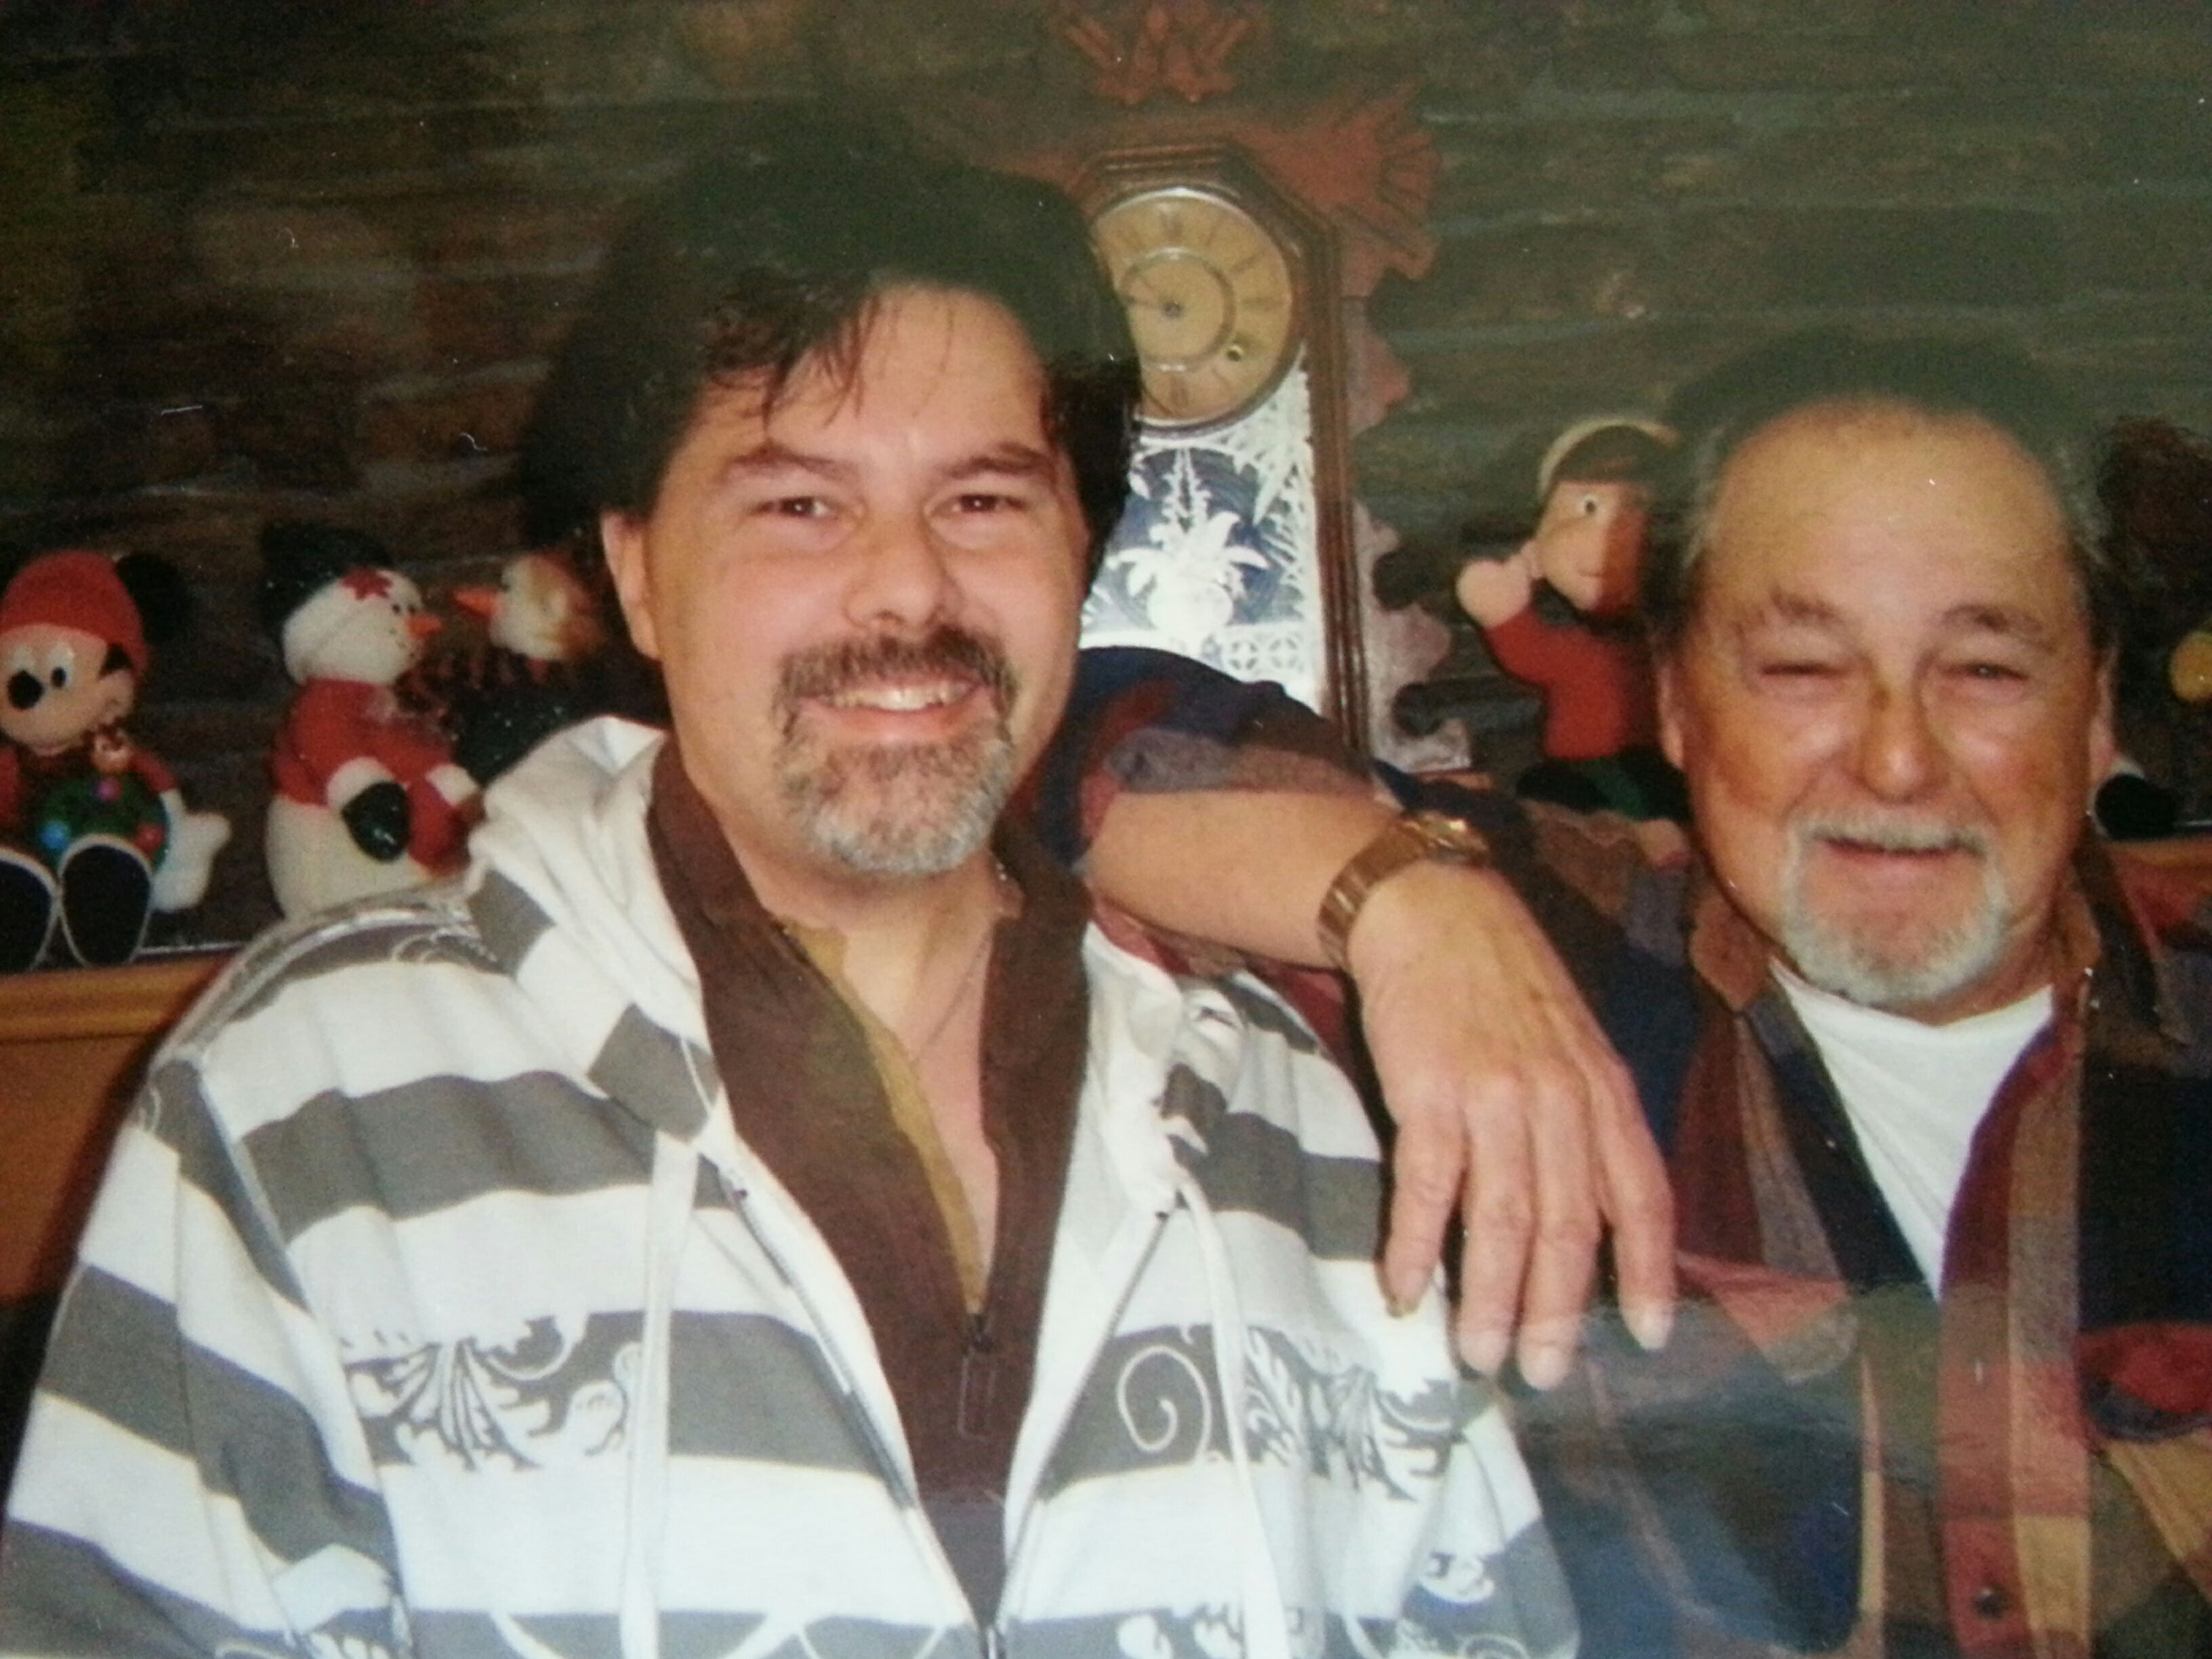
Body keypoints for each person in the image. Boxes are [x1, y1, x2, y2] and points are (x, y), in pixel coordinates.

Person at [0, 119, 1580, 1658]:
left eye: (983, 500)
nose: (906, 584)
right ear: (637, 571)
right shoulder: (306, 1099)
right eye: (800, 505)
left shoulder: (1285, 1116)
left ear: (1079, 554)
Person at [1061, 330, 2212, 1656]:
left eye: (1986, 670)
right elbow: (1064, 736)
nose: (1898, 760)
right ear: (1672, 701)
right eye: (1803, 668)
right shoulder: (1568, 945)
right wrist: (1404, 901)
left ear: (2099, 709)